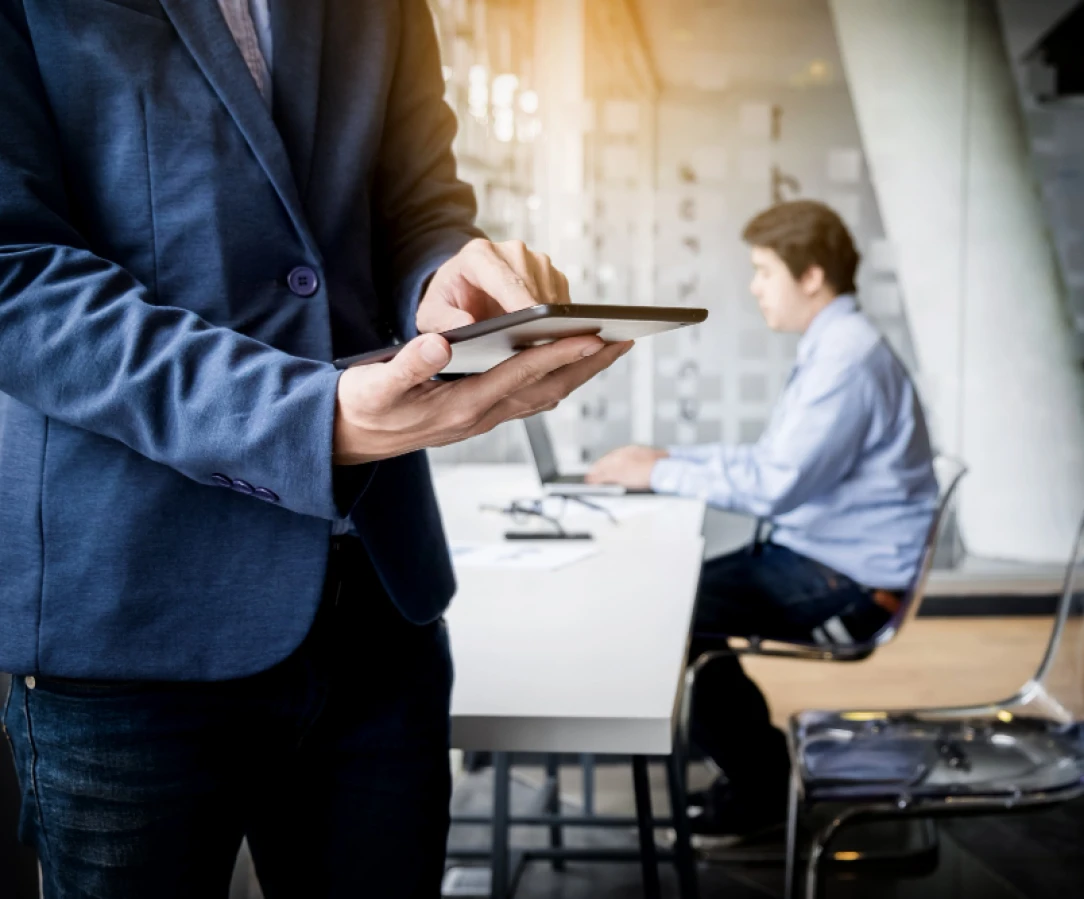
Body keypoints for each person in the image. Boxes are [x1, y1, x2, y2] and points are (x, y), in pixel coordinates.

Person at [0, 2, 629, 896]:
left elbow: (419, 209)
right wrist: (305, 419)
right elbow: (15, 268)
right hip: (133, 606)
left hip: (377, 599)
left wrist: (446, 279)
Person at [588, 200, 937, 841]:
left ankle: (762, 787)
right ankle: (759, 774)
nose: (755, 287)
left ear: (812, 276)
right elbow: (771, 461)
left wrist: (659, 474)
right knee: (673, 602)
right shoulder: (836, 346)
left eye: (765, 271)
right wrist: (667, 460)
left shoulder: (847, 359)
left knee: (671, 613)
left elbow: (774, 485)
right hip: (821, 557)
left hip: (853, 585)